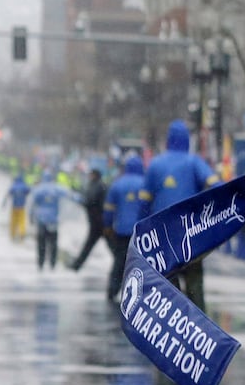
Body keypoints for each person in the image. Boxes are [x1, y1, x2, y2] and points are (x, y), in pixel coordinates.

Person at [144, 119, 219, 310]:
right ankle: (198, 329)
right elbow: (215, 185)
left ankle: (172, 326)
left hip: (163, 238)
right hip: (191, 238)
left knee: (167, 288)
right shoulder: (194, 162)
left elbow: (144, 202)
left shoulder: (155, 165)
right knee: (195, 285)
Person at [102, 154, 149, 301]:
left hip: (121, 231)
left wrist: (107, 226)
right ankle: (139, 295)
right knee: (141, 265)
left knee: (119, 262)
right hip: (141, 232)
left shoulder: (117, 184)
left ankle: (112, 291)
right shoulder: (145, 183)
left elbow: (109, 209)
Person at [27, 172, 76, 270]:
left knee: (41, 243)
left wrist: (31, 217)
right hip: (53, 221)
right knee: (53, 243)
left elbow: (32, 204)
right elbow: (70, 194)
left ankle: (40, 263)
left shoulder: (38, 189)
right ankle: (52, 263)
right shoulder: (56, 188)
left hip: (41, 221)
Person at [67, 167, 107, 271]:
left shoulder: (97, 186)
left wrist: (81, 200)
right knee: (111, 247)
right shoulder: (98, 185)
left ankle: (77, 265)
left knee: (90, 245)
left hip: (98, 222)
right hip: (98, 221)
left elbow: (90, 200)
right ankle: (77, 265)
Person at [3, 173, 30, 242]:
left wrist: (4, 204)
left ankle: (12, 234)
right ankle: (22, 233)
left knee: (13, 221)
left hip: (14, 207)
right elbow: (29, 192)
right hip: (22, 207)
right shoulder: (24, 186)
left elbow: (8, 194)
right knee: (22, 221)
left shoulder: (13, 186)